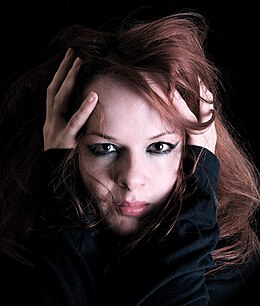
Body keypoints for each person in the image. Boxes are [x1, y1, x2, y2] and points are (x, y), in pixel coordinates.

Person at [0, 11, 259, 306]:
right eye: (104, 148)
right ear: (67, 153)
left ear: (198, 149)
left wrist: (198, 201)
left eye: (159, 147)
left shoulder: (230, 266)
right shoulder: (22, 260)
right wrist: (62, 194)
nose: (132, 179)